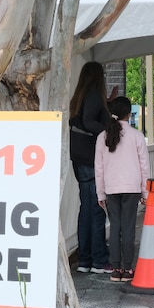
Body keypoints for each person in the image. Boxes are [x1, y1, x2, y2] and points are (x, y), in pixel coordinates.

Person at [95, 96, 151, 282]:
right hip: (131, 187)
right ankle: (128, 269)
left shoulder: (102, 137)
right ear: (129, 113)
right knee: (128, 228)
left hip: (111, 187)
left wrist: (100, 192)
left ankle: (115, 268)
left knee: (115, 227)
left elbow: (99, 168)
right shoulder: (136, 136)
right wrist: (145, 191)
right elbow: (144, 166)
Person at [68, 62, 112, 274]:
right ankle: (99, 260)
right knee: (97, 210)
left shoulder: (79, 96)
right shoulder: (94, 94)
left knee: (85, 210)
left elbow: (83, 118)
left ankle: (85, 260)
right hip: (90, 159)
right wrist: (109, 128)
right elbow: (89, 121)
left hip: (78, 158)